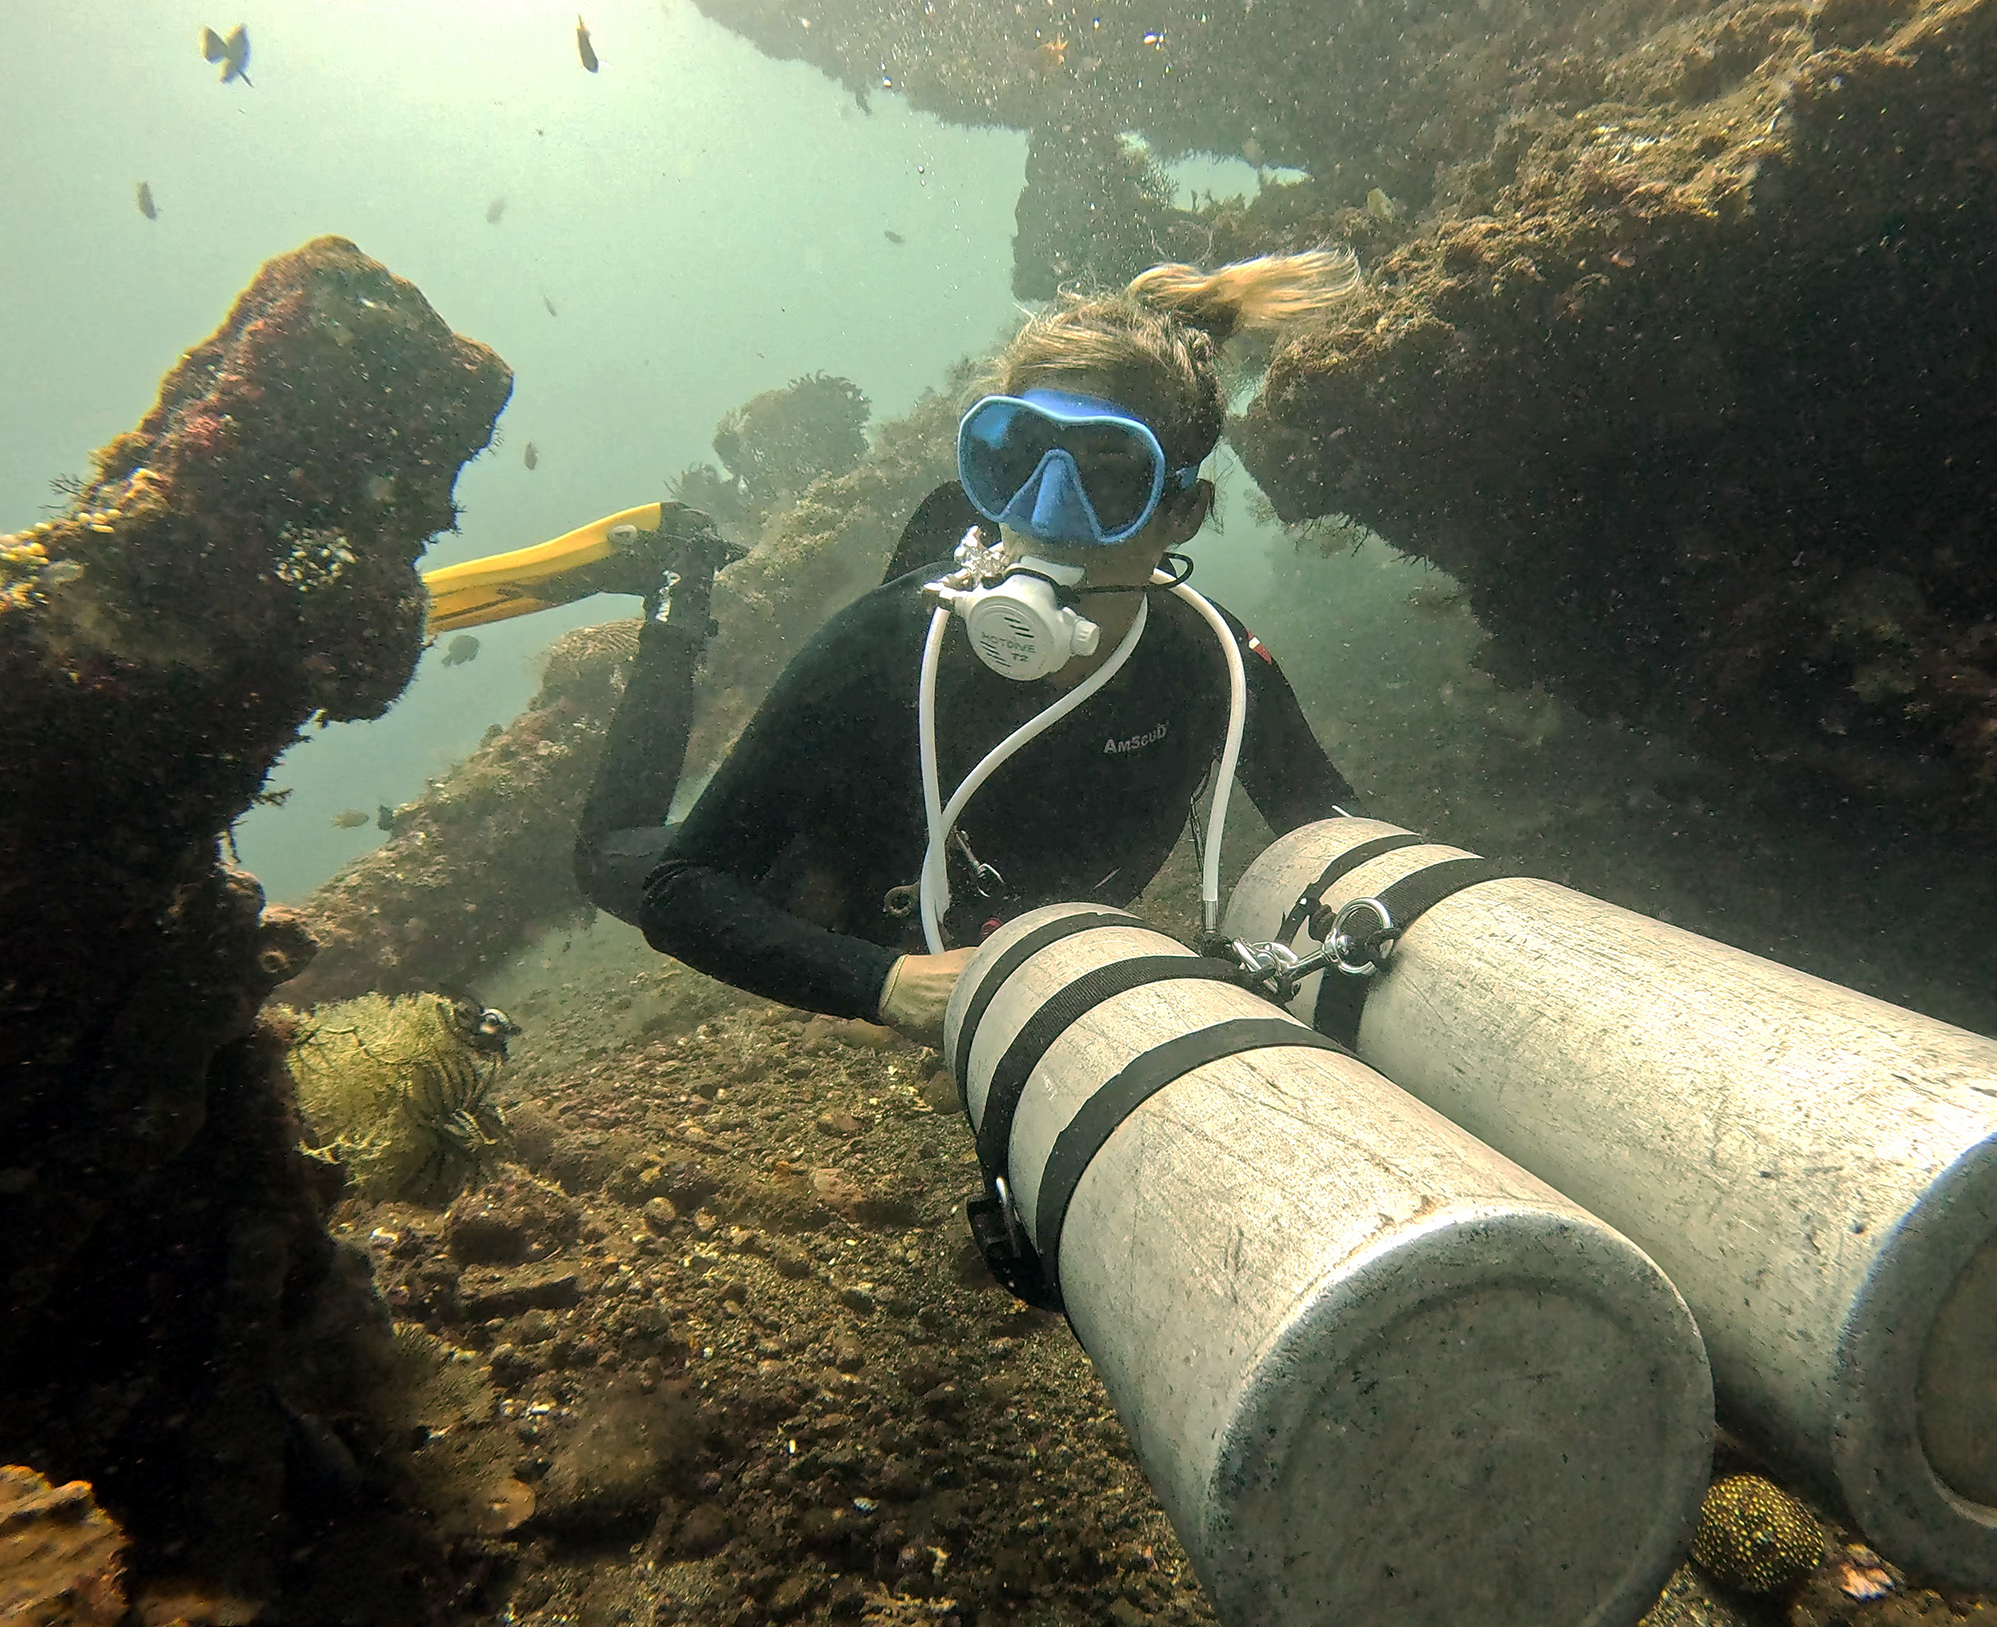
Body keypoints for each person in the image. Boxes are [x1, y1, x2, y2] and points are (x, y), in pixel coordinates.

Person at [429, 252, 1363, 1047]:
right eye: (1015, 464)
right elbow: (682, 890)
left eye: (1108, 478)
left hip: (1015, 925)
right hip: (827, 888)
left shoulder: (1212, 666)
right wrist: (882, 982)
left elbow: (1338, 840)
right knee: (609, 858)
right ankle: (677, 586)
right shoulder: (891, 643)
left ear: (1185, 510)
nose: (1046, 517)